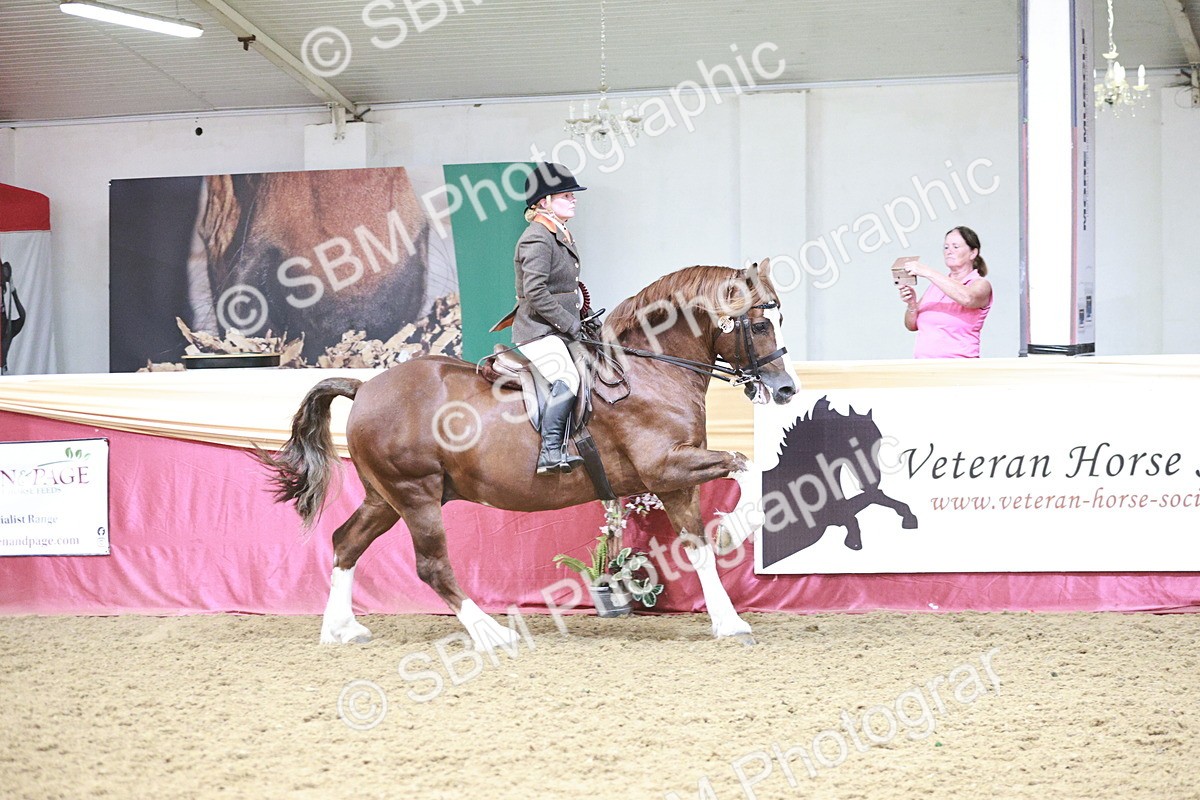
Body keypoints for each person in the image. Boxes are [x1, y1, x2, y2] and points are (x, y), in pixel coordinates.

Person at [495, 163, 589, 475]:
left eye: (572, 195)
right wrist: (570, 323)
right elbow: (535, 292)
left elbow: (563, 288)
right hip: (537, 331)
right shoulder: (537, 237)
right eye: (566, 195)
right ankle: (550, 451)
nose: (573, 199)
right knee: (568, 377)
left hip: (557, 328)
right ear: (544, 202)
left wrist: (582, 315)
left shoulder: (559, 234)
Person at [898, 226, 993, 359]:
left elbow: (968, 299)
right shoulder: (936, 286)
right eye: (946, 247)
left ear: (973, 253)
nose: (949, 251)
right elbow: (911, 325)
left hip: (958, 364)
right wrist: (912, 305)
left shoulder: (980, 284)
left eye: (955, 246)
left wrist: (927, 272)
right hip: (924, 365)